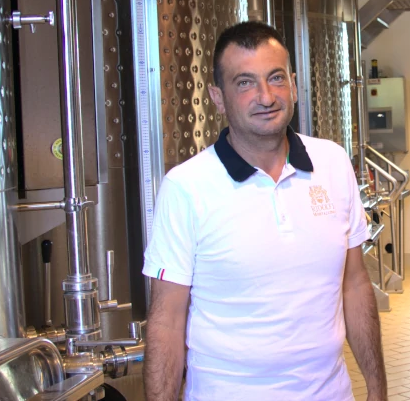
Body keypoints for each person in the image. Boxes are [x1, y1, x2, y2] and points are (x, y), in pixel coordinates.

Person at [142, 21, 387, 400]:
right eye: (245, 83)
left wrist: (376, 387)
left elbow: (354, 284)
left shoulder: (333, 162)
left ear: (292, 83)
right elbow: (166, 322)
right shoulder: (186, 187)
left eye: (275, 79)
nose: (266, 96)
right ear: (218, 97)